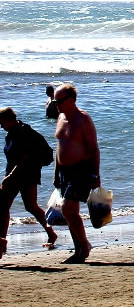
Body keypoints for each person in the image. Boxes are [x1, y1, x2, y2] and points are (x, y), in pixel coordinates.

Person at [0, 107, 58, 259]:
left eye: (2, 123)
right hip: (22, 173)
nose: (1, 126)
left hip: (24, 174)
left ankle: (2, 242)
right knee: (26, 206)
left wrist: (10, 176)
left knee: (8, 206)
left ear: (10, 120)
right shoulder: (12, 133)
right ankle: (51, 233)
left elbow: (24, 158)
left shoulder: (22, 133)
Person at [53, 83, 101, 264]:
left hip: (81, 169)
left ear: (71, 100)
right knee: (70, 212)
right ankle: (79, 248)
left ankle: (84, 245)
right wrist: (56, 173)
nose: (56, 104)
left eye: (60, 101)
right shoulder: (61, 117)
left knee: (68, 208)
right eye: (54, 101)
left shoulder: (83, 119)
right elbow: (59, 146)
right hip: (64, 171)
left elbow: (94, 149)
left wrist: (95, 175)